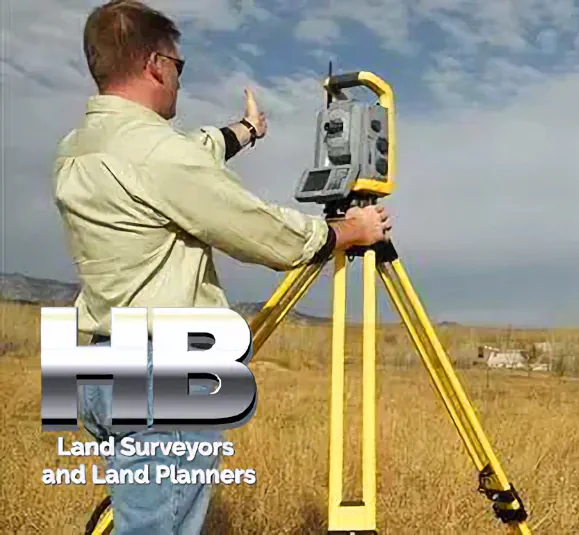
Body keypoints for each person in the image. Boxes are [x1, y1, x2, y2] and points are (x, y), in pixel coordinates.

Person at [52, 1, 390, 533]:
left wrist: (244, 130)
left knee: (144, 515)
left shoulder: (77, 148)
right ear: (155, 64)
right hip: (158, 372)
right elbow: (259, 231)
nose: (179, 80)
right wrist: (348, 231)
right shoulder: (159, 156)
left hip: (97, 363)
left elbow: (185, 156)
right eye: (179, 67)